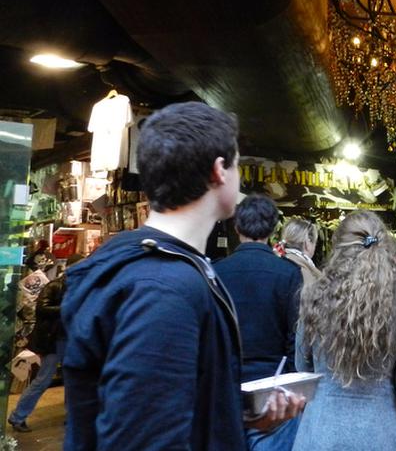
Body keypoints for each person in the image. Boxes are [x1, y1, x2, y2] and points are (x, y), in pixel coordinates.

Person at [61, 102, 303, 450]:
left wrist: (237, 419)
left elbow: (165, 412)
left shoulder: (158, 267)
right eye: (237, 165)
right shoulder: (164, 289)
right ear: (220, 171)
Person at [292, 210, 396, 450]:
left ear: (337, 249)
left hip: (319, 434)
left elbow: (303, 369)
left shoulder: (314, 295)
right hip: (381, 436)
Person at [214, 193, 304, 450]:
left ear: (237, 226)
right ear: (274, 228)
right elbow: (294, 337)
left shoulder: (218, 272)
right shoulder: (288, 273)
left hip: (227, 387)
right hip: (273, 391)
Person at [7, 253, 83, 432]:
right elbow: (42, 309)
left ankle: (71, 417)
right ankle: (17, 416)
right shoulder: (55, 285)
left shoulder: (80, 286)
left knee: (71, 379)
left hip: (70, 339)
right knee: (42, 380)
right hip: (55, 340)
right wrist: (67, 308)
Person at [281, 218, 322, 286]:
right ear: (307, 243)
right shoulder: (306, 274)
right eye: (315, 243)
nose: (315, 247)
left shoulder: (278, 262)